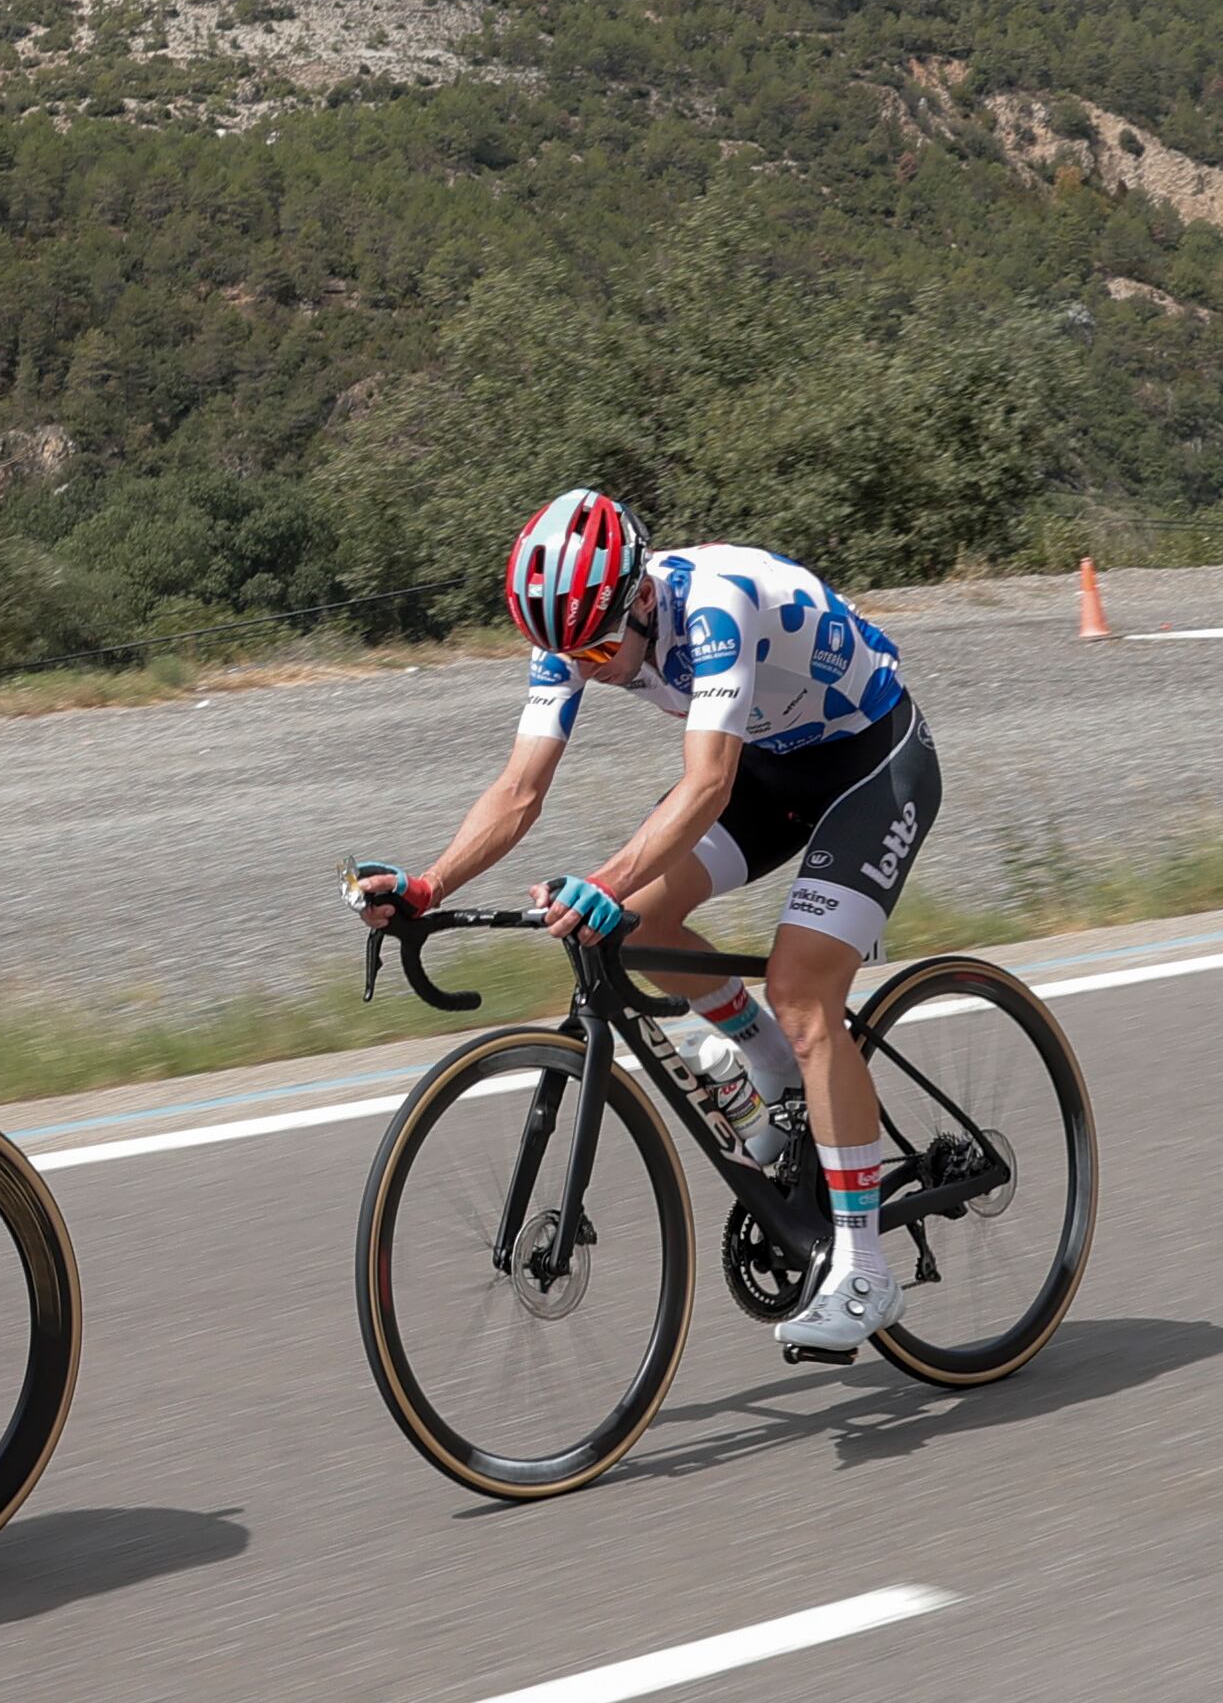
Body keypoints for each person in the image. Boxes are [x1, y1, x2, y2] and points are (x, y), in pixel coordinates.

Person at [346, 487, 942, 1361]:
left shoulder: (714, 608)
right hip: (770, 771)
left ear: (639, 597)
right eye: (563, 654)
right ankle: (771, 1069)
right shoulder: (573, 638)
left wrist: (602, 877)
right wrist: (429, 884)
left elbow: (705, 786)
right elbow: (520, 791)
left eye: (595, 647)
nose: (582, 667)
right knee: (633, 924)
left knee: (802, 987)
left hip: (870, 760)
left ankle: (863, 1267)